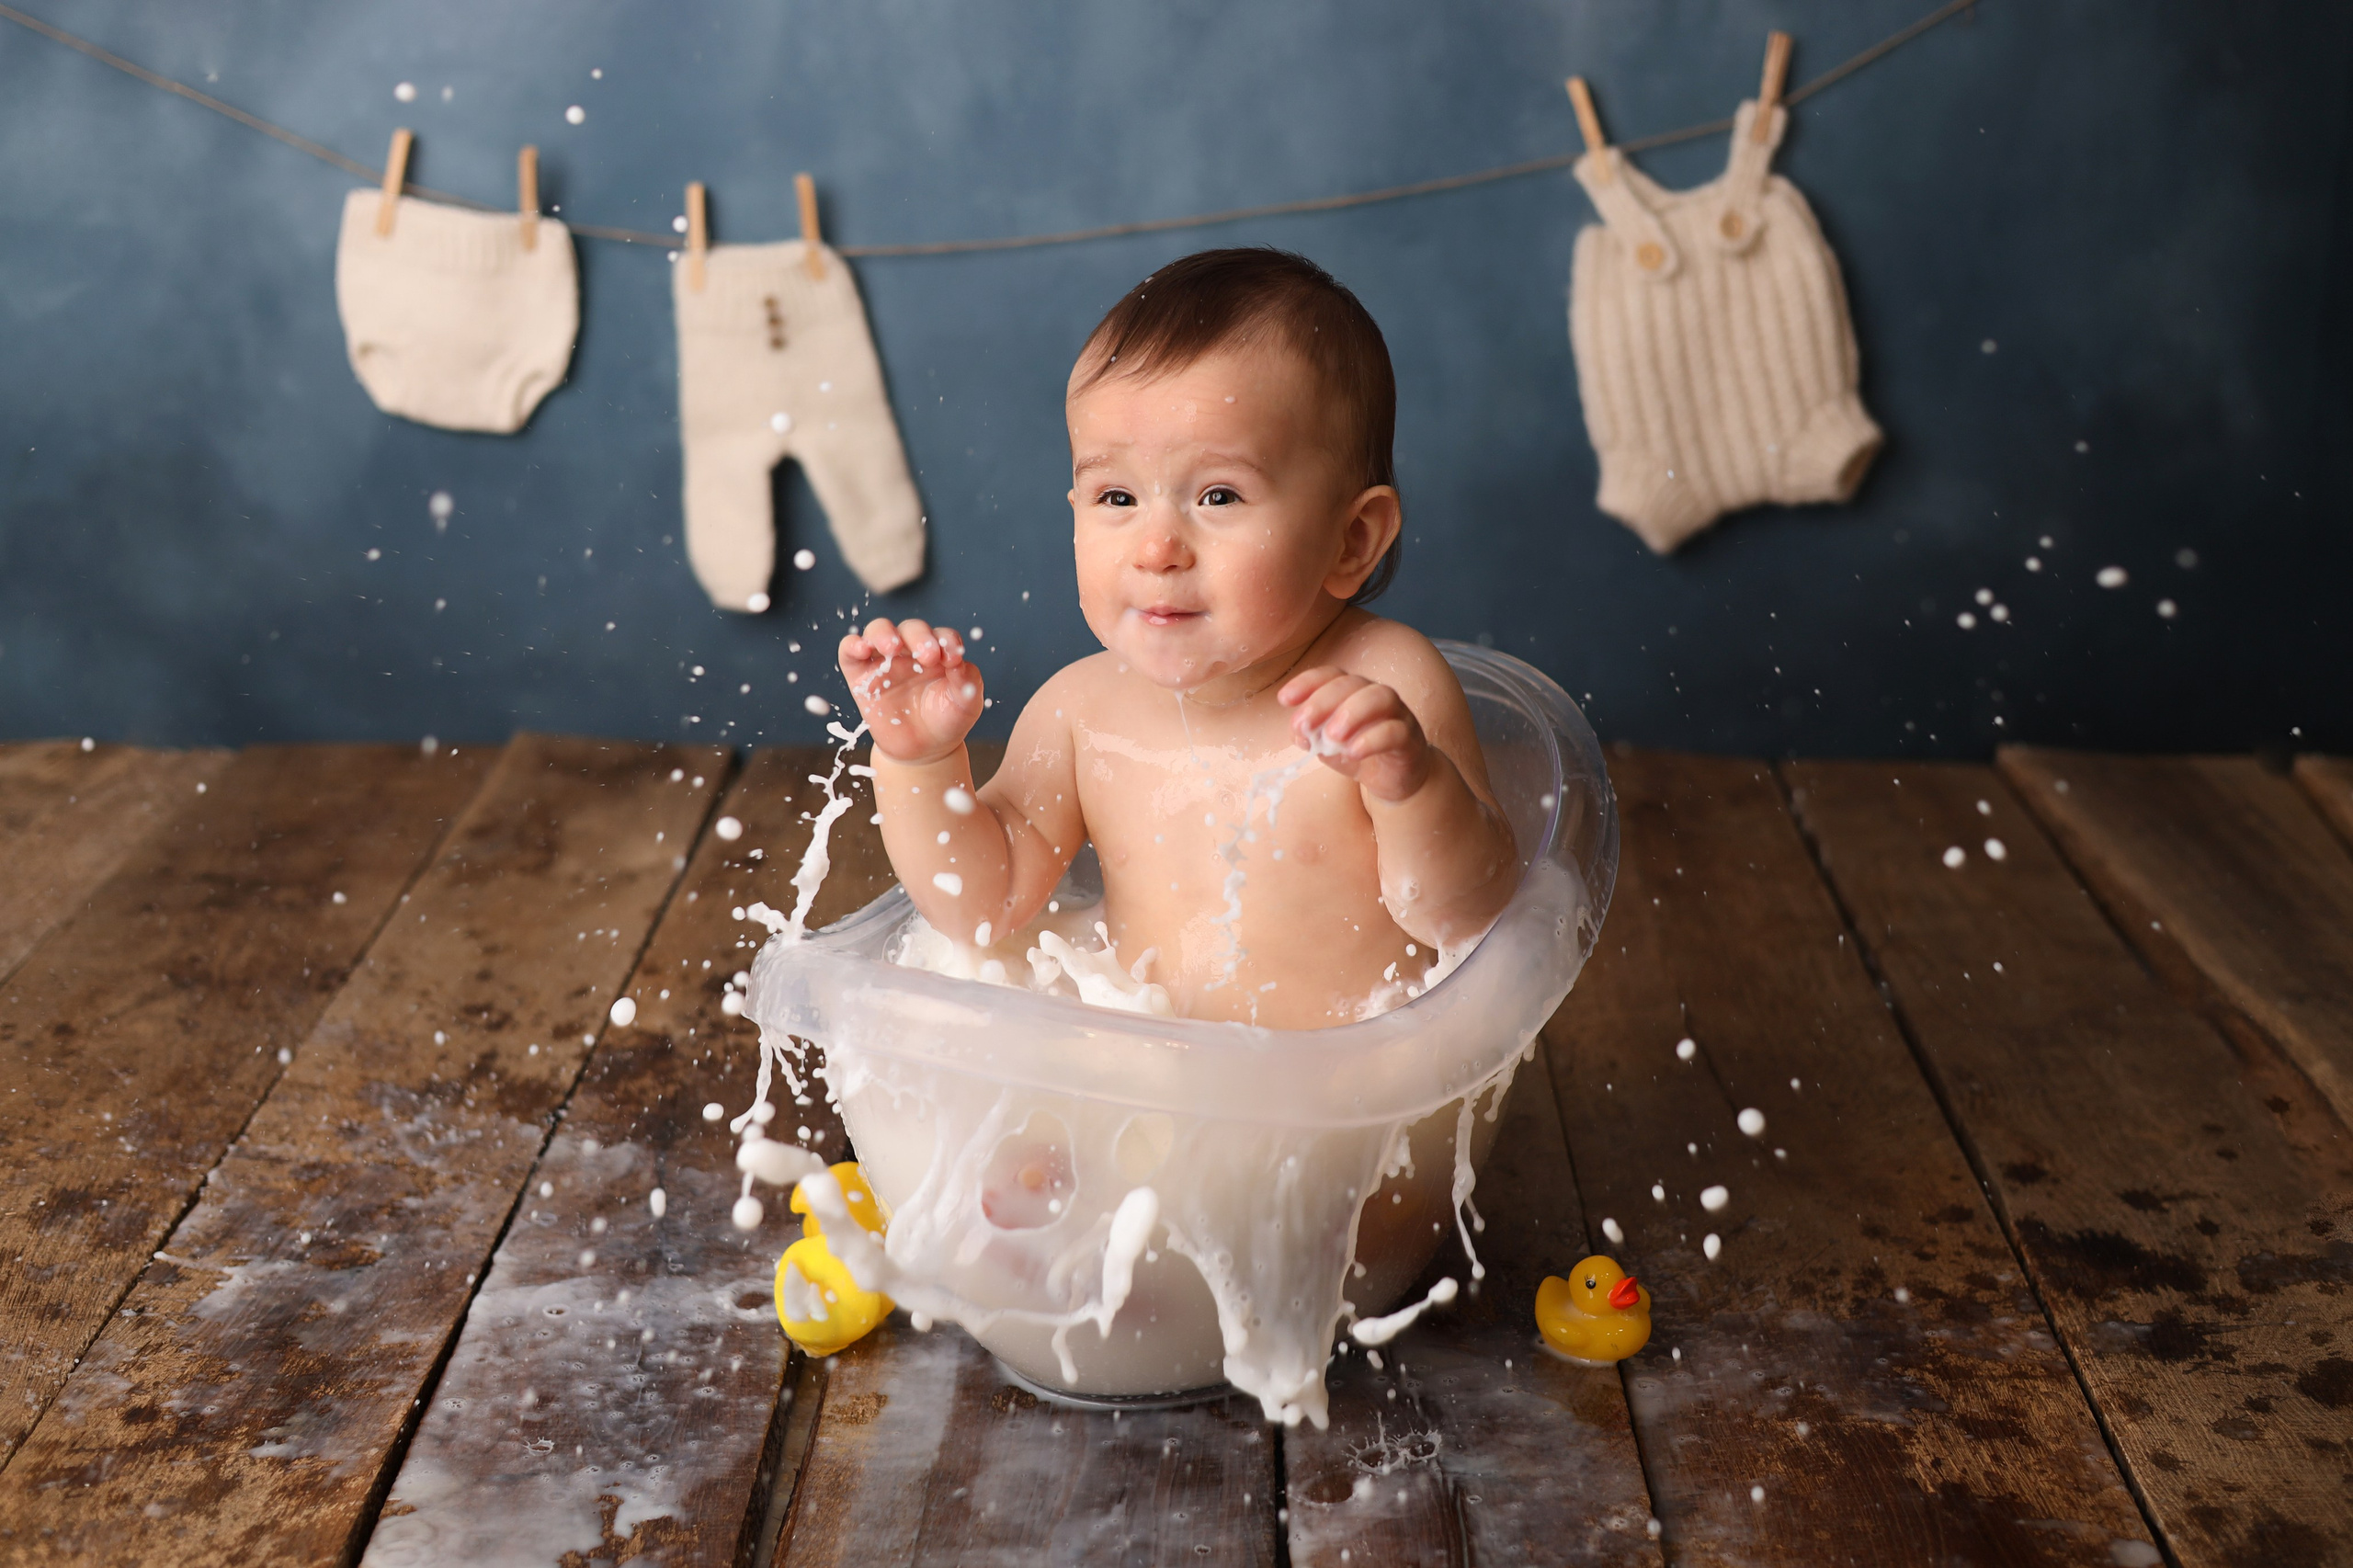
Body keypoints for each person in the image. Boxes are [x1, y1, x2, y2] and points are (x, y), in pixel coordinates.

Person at [837, 248, 1516, 1028]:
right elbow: (982, 910)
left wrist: (1414, 787)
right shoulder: (1080, 710)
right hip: (1143, 1100)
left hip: (1340, 1114)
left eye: (1219, 495)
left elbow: (1467, 917)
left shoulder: (1387, 688)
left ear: (1351, 540)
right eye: (1116, 495)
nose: (1156, 547)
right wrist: (920, 762)